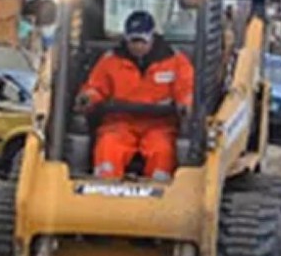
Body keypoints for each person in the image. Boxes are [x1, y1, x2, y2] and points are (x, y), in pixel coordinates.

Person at [75, 10, 194, 181]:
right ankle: (104, 190)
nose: (138, 46)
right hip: (120, 122)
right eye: (133, 41)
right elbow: (97, 87)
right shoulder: (110, 61)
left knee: (162, 150)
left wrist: (186, 104)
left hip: (159, 124)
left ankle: (159, 193)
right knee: (108, 145)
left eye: (142, 41)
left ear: (152, 37)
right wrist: (88, 98)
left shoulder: (175, 61)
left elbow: (186, 89)